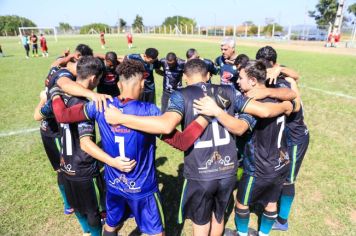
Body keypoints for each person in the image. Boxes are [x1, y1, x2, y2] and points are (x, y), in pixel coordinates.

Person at [104, 58, 295, 236]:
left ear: (186, 78)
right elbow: (261, 112)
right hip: (228, 169)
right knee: (219, 215)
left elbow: (166, 126)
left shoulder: (181, 95)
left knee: (200, 220)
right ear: (208, 75)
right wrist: (286, 105)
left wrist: (121, 118)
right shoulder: (228, 91)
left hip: (200, 172)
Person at [46, 59, 210, 235]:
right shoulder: (150, 112)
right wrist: (206, 117)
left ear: (118, 83)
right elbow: (182, 142)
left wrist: (55, 92)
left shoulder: (99, 105)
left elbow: (63, 115)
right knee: (156, 233)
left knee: (111, 225)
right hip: (143, 190)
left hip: (114, 185)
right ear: (141, 83)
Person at [194, 60, 294, 236]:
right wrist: (285, 105)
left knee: (241, 202)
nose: (237, 81)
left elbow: (241, 127)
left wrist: (217, 111)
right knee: (271, 202)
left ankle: (241, 234)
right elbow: (291, 94)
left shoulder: (254, 105)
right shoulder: (279, 96)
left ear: (253, 81)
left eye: (240, 78)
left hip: (260, 166)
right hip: (281, 161)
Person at [255, 46, 309, 232]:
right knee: (279, 173)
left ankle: (283, 221)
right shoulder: (271, 76)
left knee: (288, 179)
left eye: (266, 66)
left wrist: (280, 73)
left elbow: (294, 101)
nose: (264, 70)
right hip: (282, 137)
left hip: (295, 138)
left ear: (275, 64)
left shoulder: (285, 79)